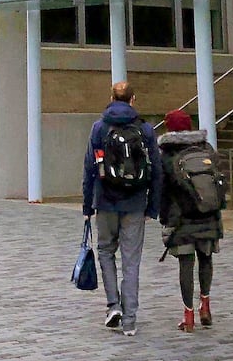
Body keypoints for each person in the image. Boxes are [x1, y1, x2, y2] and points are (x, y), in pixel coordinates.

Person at [81, 81, 161, 336]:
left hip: (105, 201)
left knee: (106, 252)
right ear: (133, 99)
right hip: (135, 203)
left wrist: (87, 205)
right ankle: (130, 321)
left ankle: (113, 305)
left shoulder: (99, 127)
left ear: (111, 97)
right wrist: (153, 207)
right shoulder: (145, 129)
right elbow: (156, 170)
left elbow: (90, 169)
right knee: (131, 261)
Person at [157, 109, 225, 332]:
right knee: (206, 259)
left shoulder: (167, 153)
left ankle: (188, 317)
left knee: (186, 264)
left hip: (181, 219)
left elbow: (163, 191)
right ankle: (205, 306)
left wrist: (164, 219)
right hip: (208, 215)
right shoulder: (206, 148)